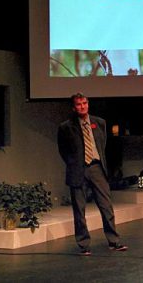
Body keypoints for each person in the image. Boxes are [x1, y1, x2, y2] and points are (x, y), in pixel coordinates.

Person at [57, 93, 127, 255]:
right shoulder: (66, 127)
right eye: (79, 104)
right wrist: (74, 163)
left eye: (84, 103)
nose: (82, 106)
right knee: (79, 210)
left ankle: (114, 241)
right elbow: (63, 150)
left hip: (97, 168)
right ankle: (83, 244)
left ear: (88, 104)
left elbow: (103, 145)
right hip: (78, 169)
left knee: (106, 206)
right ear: (74, 108)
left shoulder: (99, 123)